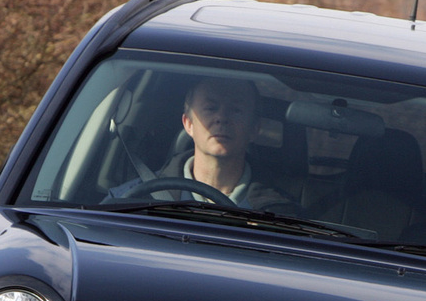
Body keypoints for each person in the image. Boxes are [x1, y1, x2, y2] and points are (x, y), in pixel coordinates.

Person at [112, 76, 295, 211]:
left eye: (236, 110)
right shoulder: (132, 201)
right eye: (210, 108)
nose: (222, 118)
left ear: (255, 128)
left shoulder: (282, 215)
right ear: (188, 124)